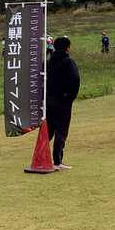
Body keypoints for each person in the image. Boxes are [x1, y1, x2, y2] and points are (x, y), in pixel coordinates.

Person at [45, 35, 80, 169]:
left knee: (49, 131)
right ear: (68, 48)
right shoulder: (68, 62)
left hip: (49, 101)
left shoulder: (48, 62)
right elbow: (75, 80)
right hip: (63, 101)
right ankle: (57, 161)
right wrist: (70, 97)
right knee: (61, 130)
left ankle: (41, 155)